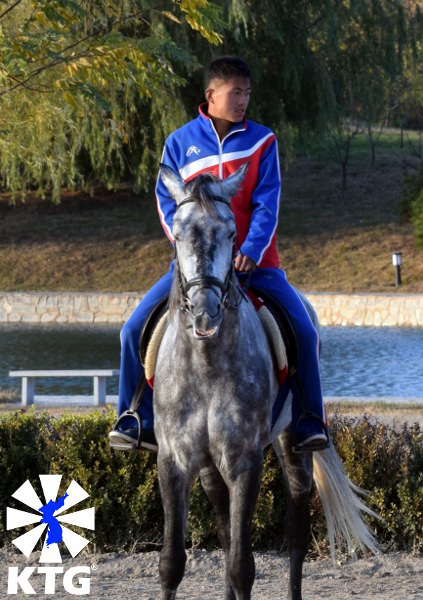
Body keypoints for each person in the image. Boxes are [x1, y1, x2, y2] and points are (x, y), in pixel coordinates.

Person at [107, 56, 330, 454]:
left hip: (255, 266)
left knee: (307, 332)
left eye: (247, 93)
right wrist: (184, 248)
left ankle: (308, 421)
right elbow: (165, 202)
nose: (243, 100)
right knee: (130, 331)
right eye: (235, 93)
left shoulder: (263, 140)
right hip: (194, 269)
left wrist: (251, 250)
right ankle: (135, 418)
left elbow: (268, 204)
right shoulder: (178, 143)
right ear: (211, 95)